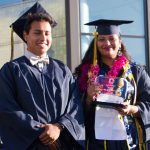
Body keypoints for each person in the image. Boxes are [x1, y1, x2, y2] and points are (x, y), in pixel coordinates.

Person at [0, 2, 85, 150]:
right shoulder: (11, 70)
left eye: (47, 33)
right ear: (26, 35)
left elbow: (75, 106)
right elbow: (7, 108)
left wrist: (58, 128)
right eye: (37, 32)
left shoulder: (63, 70)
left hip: (62, 144)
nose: (43, 38)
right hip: (29, 145)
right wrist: (42, 132)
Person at [74, 19, 150, 150]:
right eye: (102, 39)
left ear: (120, 43)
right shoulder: (86, 73)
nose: (107, 43)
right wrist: (87, 97)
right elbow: (73, 109)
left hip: (129, 142)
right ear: (96, 43)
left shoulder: (136, 72)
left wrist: (132, 109)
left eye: (111, 38)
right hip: (96, 142)